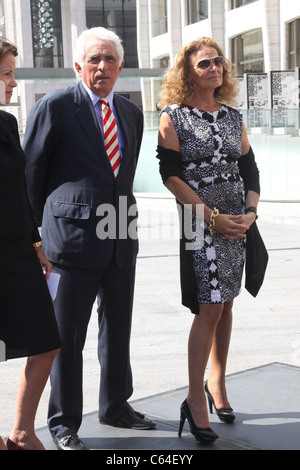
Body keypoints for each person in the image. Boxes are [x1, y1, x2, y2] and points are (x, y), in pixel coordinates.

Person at [23, 27, 155, 451]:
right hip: (70, 242)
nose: (102, 67)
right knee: (67, 337)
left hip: (120, 234)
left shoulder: (131, 113)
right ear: (78, 65)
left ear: (121, 65)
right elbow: (31, 176)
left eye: (110, 59)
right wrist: (37, 235)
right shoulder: (56, 106)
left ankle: (116, 405)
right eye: (93, 59)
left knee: (118, 329)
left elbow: (124, 175)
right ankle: (63, 423)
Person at [157, 37, 260, 444]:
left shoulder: (234, 117)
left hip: (237, 222)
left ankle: (217, 383)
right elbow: (170, 175)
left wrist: (249, 214)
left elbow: (250, 169)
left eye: (218, 62)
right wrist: (211, 217)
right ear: (187, 72)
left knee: (227, 301)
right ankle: (193, 398)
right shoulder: (173, 116)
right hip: (201, 223)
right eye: (204, 64)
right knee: (210, 307)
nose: (214, 68)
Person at [0, 38, 60, 451]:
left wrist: (36, 242)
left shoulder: (6, 123)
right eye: (6, 74)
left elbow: (19, 191)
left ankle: (22, 431)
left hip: (17, 251)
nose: (13, 83)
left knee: (46, 339)